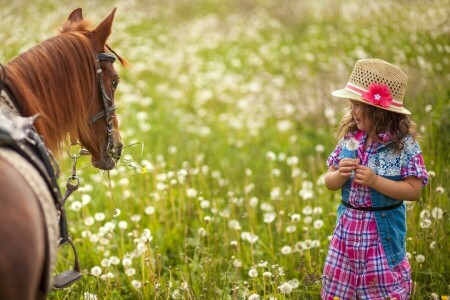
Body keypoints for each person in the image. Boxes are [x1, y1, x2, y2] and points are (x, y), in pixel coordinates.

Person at [321, 58, 428, 300]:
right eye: (352, 105)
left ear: (380, 111)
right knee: (342, 288)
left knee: (379, 288)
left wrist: (375, 181)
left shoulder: (403, 147)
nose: (353, 111)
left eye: (358, 105)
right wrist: (339, 174)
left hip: (380, 235)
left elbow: (413, 190)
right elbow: (329, 182)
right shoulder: (350, 139)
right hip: (347, 234)